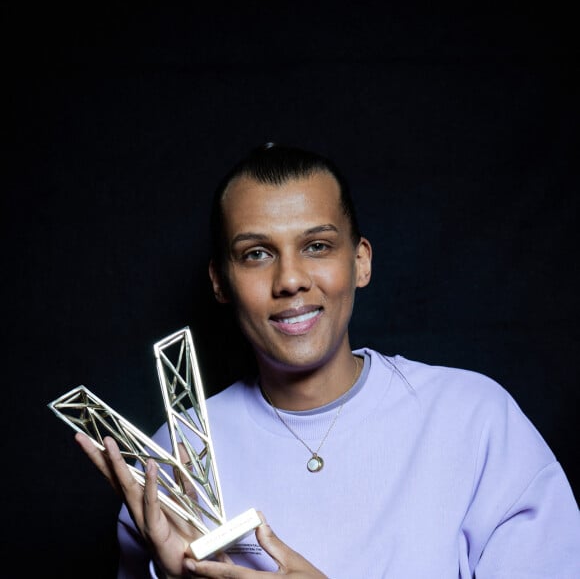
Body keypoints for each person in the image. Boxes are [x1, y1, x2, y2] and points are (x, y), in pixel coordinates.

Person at [76, 142, 580, 578]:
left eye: (317, 246)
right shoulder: (176, 457)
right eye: (256, 254)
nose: (290, 279)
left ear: (359, 261)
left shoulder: (474, 418)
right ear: (219, 281)